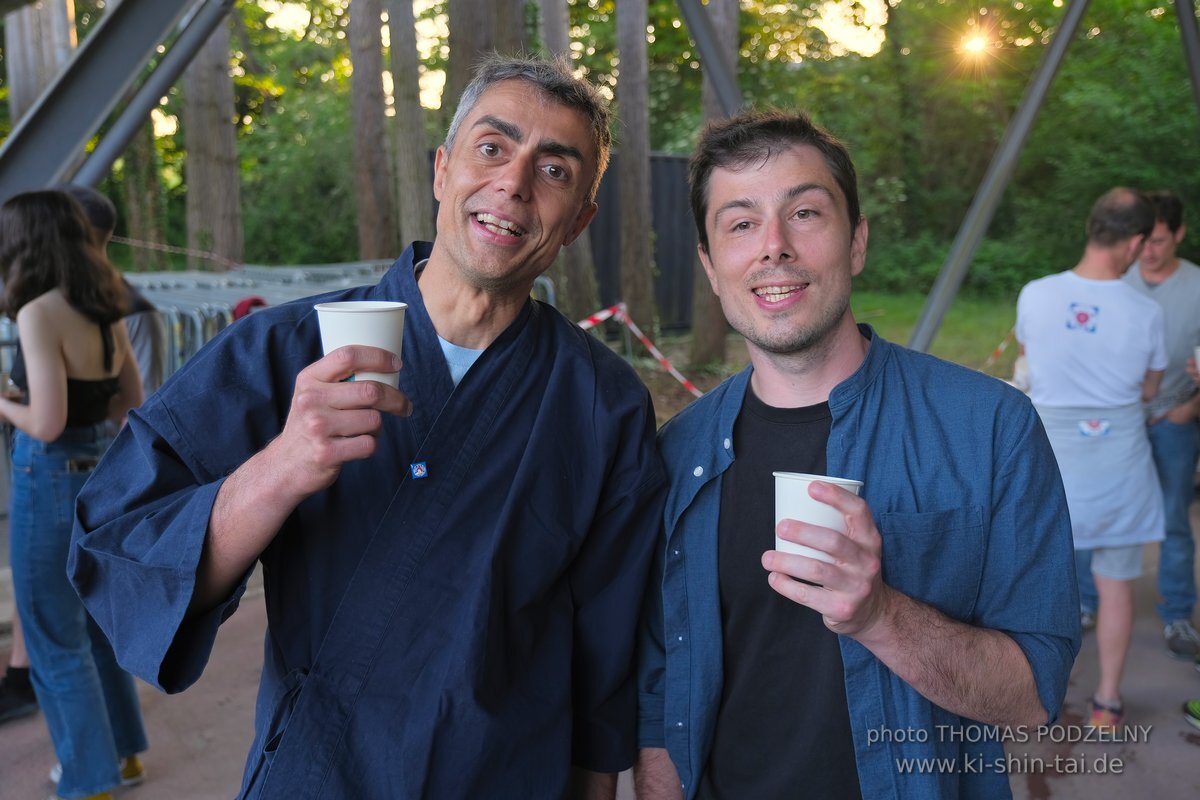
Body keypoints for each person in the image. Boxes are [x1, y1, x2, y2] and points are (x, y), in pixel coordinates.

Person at [70, 55, 664, 798]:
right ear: (442, 170)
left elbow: (602, 662)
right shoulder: (282, 351)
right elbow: (117, 544)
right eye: (491, 148)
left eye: (554, 170)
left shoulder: (603, 404)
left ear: (579, 219)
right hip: (322, 776)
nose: (512, 183)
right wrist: (281, 468)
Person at [635, 109, 1080, 800]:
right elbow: (663, 683)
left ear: (857, 242)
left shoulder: (990, 428)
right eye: (741, 223)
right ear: (711, 266)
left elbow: (1034, 692)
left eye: (805, 213)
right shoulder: (678, 453)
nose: (773, 247)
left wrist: (879, 617)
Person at [0, 189, 148, 800]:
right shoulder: (107, 306)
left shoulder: (39, 311)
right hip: (98, 477)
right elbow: (130, 405)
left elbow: (48, 422)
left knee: (51, 637)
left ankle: (88, 781)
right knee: (92, 629)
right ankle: (123, 755)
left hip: (49, 476)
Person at [1016, 187, 1165, 733]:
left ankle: (1026, 694)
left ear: (1090, 226)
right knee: (1117, 580)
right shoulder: (1146, 311)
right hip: (1118, 459)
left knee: (1036, 577)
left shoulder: (1035, 294)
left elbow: (1029, 365)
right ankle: (1106, 702)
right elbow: (1148, 389)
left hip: (1050, 459)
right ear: (1135, 242)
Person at [1118, 190, 1200, 660]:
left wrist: (1193, 404)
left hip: (1174, 413)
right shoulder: (1117, 281)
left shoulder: (1195, 284)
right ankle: (1087, 603)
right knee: (1102, 515)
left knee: (1174, 517)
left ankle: (1179, 613)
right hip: (1121, 418)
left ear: (1180, 235)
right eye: (1143, 239)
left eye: (1161, 240)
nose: (1149, 250)